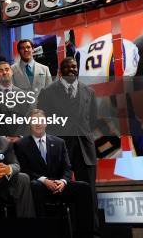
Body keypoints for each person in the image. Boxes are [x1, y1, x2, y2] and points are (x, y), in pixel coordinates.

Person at [38, 57, 99, 230]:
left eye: (74, 67)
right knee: (59, 191)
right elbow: (43, 122)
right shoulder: (48, 92)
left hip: (84, 148)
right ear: (60, 71)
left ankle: (91, 232)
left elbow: (93, 120)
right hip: (59, 148)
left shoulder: (89, 92)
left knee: (89, 193)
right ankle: (64, 230)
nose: (71, 70)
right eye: (67, 67)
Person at [14, 109, 94, 237]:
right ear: (29, 123)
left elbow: (67, 168)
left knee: (83, 188)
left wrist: (63, 181)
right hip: (40, 186)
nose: (38, 124)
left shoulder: (59, 142)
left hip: (59, 185)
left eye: (41, 120)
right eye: (34, 121)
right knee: (35, 186)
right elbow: (24, 169)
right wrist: (44, 180)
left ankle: (85, 234)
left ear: (46, 123)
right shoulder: (21, 145)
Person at [0, 61, 35, 138]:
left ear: (12, 72)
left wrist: (19, 136)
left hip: (20, 142)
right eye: (0, 71)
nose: (4, 72)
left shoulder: (25, 95)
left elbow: (28, 120)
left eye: (7, 69)